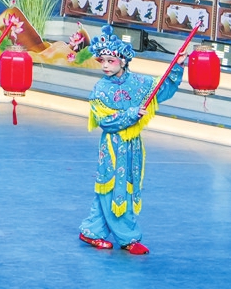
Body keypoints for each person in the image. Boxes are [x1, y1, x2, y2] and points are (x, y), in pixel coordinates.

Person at [78, 25, 184, 255]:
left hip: (133, 144)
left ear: (123, 61)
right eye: (102, 61)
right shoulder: (100, 89)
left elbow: (162, 88)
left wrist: (177, 65)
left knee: (122, 186)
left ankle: (92, 231)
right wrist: (131, 113)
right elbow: (105, 121)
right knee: (112, 187)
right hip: (112, 146)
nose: (105, 66)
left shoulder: (139, 83)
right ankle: (128, 237)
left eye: (110, 61)